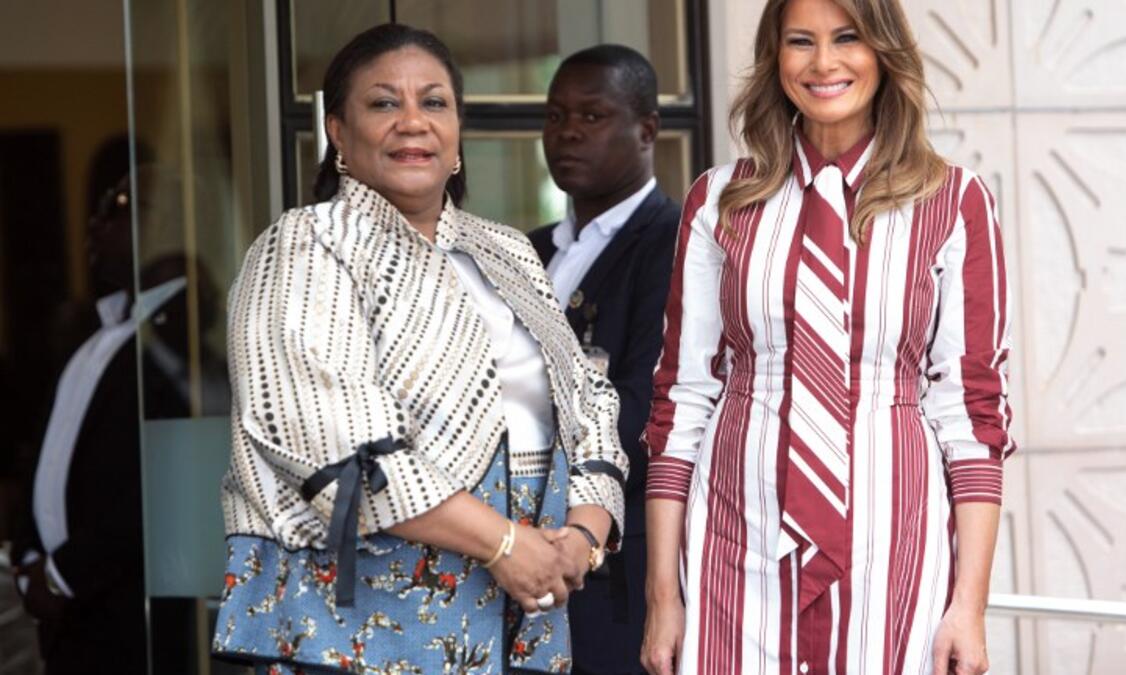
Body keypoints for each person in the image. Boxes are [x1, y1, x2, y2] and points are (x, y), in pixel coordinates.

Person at [211, 24, 627, 674]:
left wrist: (581, 538)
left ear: (458, 131)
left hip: (523, 621)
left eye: (434, 102)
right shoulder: (304, 246)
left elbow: (591, 401)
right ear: (338, 132)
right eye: (383, 103)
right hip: (357, 631)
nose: (413, 122)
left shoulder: (508, 252)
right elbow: (337, 446)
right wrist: (507, 544)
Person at [640, 1, 1015, 674]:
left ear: (884, 51)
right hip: (736, 539)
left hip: (892, 541)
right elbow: (680, 400)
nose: (824, 62)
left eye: (848, 38)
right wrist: (663, 595)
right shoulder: (720, 200)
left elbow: (974, 412)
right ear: (775, 59)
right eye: (800, 42)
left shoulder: (952, 201)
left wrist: (970, 604)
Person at [529, 44, 680, 675]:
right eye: (556, 114)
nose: (566, 132)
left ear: (646, 129)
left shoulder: (673, 240)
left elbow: (644, 407)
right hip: (519, 557)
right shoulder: (527, 249)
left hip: (617, 568)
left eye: (591, 116)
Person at [10, 172, 191, 675]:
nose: (94, 223)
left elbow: (156, 485)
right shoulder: (99, 333)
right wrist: (28, 556)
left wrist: (62, 574)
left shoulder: (187, 335)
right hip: (69, 617)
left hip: (134, 618)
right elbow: (51, 454)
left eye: (116, 206)